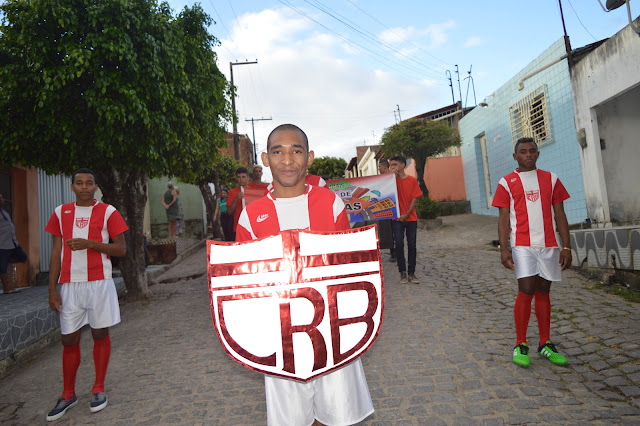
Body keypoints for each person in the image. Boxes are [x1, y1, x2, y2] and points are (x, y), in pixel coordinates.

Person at [236, 124, 374, 426]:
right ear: (265, 158)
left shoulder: (330, 203)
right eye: (278, 152)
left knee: (335, 414)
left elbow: (348, 267)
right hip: (281, 334)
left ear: (309, 157)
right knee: (294, 418)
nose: (287, 160)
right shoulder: (250, 216)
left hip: (332, 328)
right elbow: (247, 284)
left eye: (296, 151)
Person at [45, 168, 128, 421]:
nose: (84, 187)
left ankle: (98, 388)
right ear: (72, 187)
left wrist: (90, 244)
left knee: (99, 333)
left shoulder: (108, 211)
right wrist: (52, 288)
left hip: (99, 282)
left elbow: (121, 249)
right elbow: (56, 252)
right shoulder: (60, 212)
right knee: (68, 339)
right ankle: (68, 394)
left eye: (89, 183)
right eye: (79, 183)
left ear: (95, 187)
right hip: (70, 285)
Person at [491, 137, 571, 368]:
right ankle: (520, 344)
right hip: (522, 244)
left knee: (544, 290)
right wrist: (504, 248)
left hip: (548, 244)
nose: (528, 155)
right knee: (526, 289)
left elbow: (560, 214)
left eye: (532, 151)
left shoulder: (551, 179)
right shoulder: (506, 182)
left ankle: (545, 343)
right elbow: (503, 218)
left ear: (538, 154)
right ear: (515, 156)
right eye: (523, 151)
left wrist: (566, 246)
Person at [389, 155, 423, 284]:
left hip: (411, 218)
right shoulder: (391, 181)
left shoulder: (412, 180)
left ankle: (412, 272)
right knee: (398, 244)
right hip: (396, 218)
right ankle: (402, 272)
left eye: (395, 164)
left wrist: (407, 214)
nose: (393, 167)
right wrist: (391, 176)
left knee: (412, 245)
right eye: (391, 165)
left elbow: (414, 199)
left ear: (403, 165)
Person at [0, 192, 26, 294]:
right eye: (0, 198)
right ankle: (7, 289)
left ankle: (4, 262)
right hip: (2, 244)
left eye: (2, 198)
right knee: (3, 267)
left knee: (22, 257)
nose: (2, 200)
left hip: (12, 243)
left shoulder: (4, 212)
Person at [378, 159, 396, 262]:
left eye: (379, 167)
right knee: (387, 231)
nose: (379, 169)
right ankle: (392, 251)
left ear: (384, 166)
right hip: (383, 209)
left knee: (394, 231)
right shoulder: (380, 179)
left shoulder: (392, 177)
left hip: (393, 208)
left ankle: (395, 252)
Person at [226, 167, 250, 241]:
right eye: (239, 177)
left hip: (253, 226)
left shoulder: (253, 191)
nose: (241, 179)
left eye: (243, 177)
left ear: (248, 177)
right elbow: (229, 211)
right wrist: (236, 199)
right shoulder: (232, 192)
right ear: (236, 178)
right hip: (238, 227)